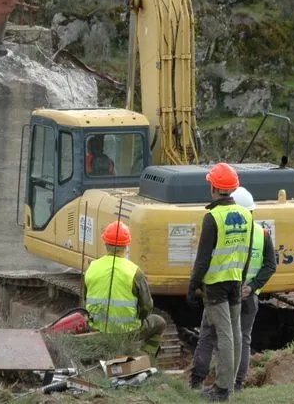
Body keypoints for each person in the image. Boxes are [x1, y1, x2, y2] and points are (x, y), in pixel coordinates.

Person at [189, 186, 277, 393]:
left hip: (221, 288)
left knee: (209, 336)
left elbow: (206, 258)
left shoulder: (222, 224)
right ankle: (236, 384)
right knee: (242, 338)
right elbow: (270, 265)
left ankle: (201, 382)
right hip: (245, 293)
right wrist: (252, 286)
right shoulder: (261, 233)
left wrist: (194, 284)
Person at [187, 163, 253, 401]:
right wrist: (242, 279)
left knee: (224, 335)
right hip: (235, 280)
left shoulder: (212, 217)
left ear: (213, 187)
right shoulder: (246, 215)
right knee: (235, 333)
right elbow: (246, 253)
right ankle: (230, 386)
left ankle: (223, 389)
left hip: (216, 284)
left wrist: (193, 285)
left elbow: (203, 258)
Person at [84, 220, 167, 355]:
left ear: (105, 244)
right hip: (128, 333)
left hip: (97, 331)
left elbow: (86, 300)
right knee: (159, 323)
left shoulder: (92, 267)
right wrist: (138, 319)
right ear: (126, 246)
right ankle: (146, 358)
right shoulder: (134, 272)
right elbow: (146, 307)